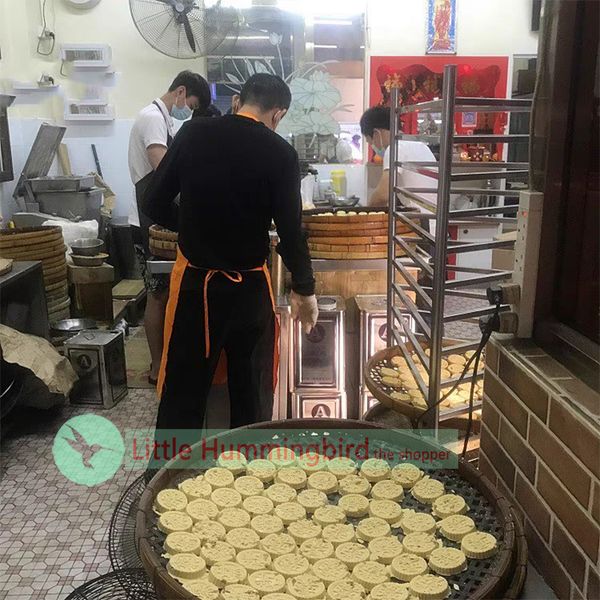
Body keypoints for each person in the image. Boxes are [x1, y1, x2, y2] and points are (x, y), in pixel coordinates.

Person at [142, 73, 318, 440]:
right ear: (278, 114)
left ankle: (171, 468)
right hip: (249, 291)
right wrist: (305, 288)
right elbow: (290, 231)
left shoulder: (193, 133)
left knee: (183, 393)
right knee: (250, 391)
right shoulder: (281, 153)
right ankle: (249, 465)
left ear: (239, 100)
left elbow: (154, 201)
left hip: (197, 289)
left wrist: (192, 226)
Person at [128, 70, 211, 385]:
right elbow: (163, 170)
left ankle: (167, 364)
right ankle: (156, 367)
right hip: (149, 220)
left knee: (164, 290)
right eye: (191, 104)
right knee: (157, 293)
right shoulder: (152, 118)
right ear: (180, 92)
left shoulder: (163, 119)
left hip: (156, 217)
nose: (188, 110)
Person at [360, 106, 437, 213]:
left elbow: (382, 195)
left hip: (420, 219)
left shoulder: (395, 147)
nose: (373, 146)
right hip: (431, 217)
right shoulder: (420, 146)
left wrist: (366, 212)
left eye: (370, 141)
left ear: (376, 133)